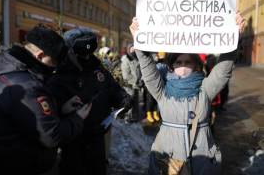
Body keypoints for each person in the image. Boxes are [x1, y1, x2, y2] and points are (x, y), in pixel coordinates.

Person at [129, 10, 245, 175]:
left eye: (188, 62)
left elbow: (223, 69)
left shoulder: (205, 88)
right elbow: (148, 69)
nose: (183, 66)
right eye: (179, 62)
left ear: (196, 65)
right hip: (168, 160)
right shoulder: (163, 91)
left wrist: (234, 38)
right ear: (171, 65)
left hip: (201, 159)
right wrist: (139, 39)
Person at [0, 26, 92, 175]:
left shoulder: (4, 69)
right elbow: (51, 136)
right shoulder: (28, 85)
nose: (54, 67)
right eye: (53, 62)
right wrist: (78, 118)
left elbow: (21, 115)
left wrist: (60, 109)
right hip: (11, 167)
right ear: (39, 56)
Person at [47, 28, 132, 175]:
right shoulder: (57, 78)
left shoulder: (98, 70)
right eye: (81, 55)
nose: (86, 58)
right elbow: (53, 114)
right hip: (73, 148)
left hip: (98, 142)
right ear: (69, 52)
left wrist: (123, 99)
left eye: (89, 54)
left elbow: (113, 89)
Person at [121, 43, 142, 122]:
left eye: (135, 50)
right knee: (129, 104)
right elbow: (126, 76)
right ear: (128, 51)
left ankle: (134, 117)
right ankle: (127, 119)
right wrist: (136, 80)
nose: (133, 52)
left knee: (135, 104)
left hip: (136, 86)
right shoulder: (126, 61)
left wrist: (141, 80)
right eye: (132, 50)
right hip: (129, 87)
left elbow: (141, 72)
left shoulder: (137, 60)